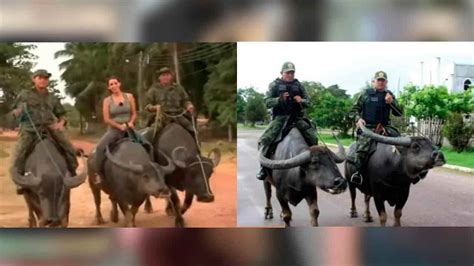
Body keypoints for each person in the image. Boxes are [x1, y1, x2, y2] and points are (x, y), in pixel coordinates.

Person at [11, 69, 78, 193]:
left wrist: (61, 123)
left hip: (49, 128)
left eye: (45, 78)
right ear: (34, 79)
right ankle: (20, 182)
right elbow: (14, 112)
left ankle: (72, 173)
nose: (43, 80)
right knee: (19, 153)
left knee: (69, 148)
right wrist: (20, 111)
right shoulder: (24, 94)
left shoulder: (52, 98)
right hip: (30, 129)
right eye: (40, 77)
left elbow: (62, 114)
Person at [256, 62, 318, 180]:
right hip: (280, 119)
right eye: (288, 72)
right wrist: (279, 100)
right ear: (282, 73)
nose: (290, 75)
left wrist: (302, 101)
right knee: (264, 140)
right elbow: (266, 102)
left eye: (292, 72)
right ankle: (263, 168)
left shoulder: (299, 85)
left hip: (297, 118)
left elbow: (309, 102)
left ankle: (315, 163)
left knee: (313, 137)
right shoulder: (274, 85)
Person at [348, 70, 404, 184]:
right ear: (374, 81)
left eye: (383, 81)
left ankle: (404, 172)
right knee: (362, 150)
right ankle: (358, 173)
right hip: (368, 127)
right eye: (379, 80)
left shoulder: (389, 96)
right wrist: (358, 119)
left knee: (402, 144)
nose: (381, 82)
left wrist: (391, 102)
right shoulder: (365, 94)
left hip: (385, 127)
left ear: (386, 82)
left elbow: (399, 113)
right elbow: (353, 111)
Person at [94, 76, 139, 179]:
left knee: (147, 144)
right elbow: (107, 119)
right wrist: (119, 126)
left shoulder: (130, 96)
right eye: (111, 84)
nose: (113, 86)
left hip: (130, 128)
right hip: (115, 129)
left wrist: (131, 122)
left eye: (115, 83)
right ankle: (98, 173)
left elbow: (134, 113)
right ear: (109, 88)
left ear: (119, 84)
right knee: (100, 148)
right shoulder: (107, 101)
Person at [144, 67, 196, 142]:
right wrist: (154, 107)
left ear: (171, 76)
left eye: (167, 75)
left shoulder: (178, 88)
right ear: (159, 77)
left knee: (191, 129)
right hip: (162, 116)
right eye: (163, 75)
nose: (166, 77)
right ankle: (147, 149)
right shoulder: (154, 89)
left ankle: (197, 149)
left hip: (178, 115)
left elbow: (185, 100)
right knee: (152, 132)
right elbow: (147, 106)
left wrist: (189, 105)